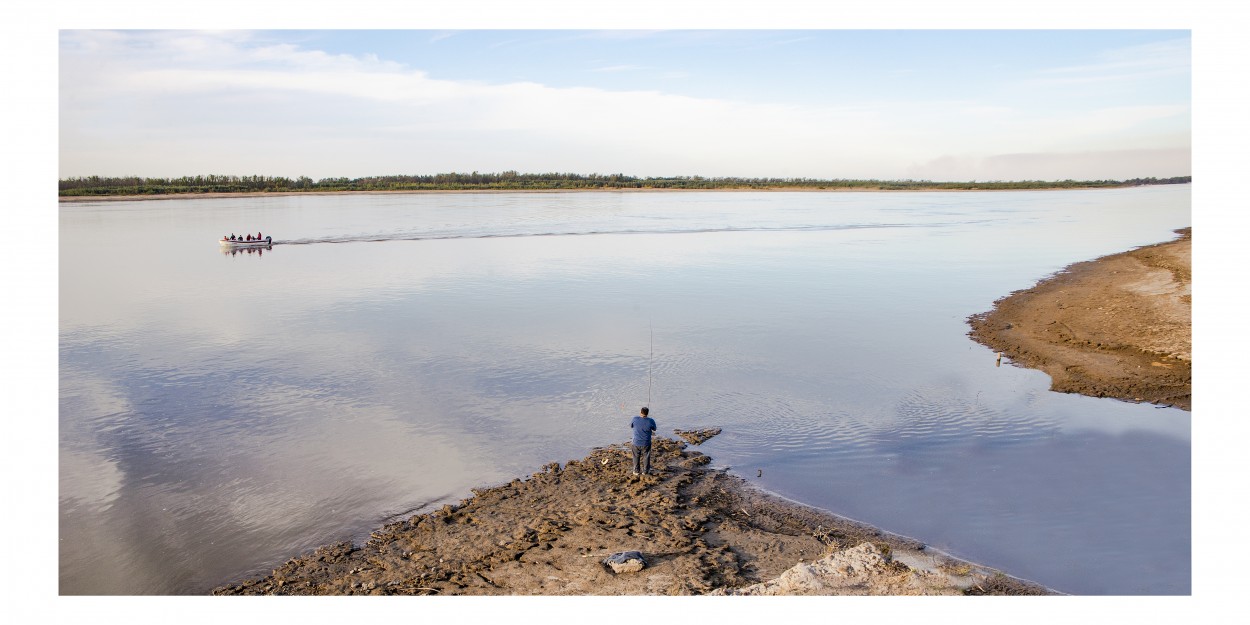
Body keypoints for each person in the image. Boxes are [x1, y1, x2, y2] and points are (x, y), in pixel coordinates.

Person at [630, 407, 657, 477]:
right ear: (647, 413)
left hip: (635, 442)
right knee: (646, 456)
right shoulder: (651, 420)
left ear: (640, 412)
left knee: (636, 456)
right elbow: (655, 429)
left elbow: (631, 426)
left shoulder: (635, 419)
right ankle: (645, 471)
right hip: (646, 443)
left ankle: (636, 471)